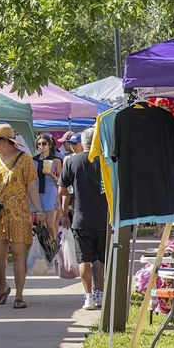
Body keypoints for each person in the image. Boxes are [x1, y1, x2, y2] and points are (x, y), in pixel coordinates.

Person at [0, 123, 43, 308]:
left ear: (6, 141)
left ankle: (19, 295)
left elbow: (31, 187)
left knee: (18, 254)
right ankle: (3, 286)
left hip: (18, 212)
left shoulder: (25, 159)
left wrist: (39, 210)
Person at [60, 128, 108, 311]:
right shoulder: (106, 162)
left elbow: (62, 190)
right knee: (102, 260)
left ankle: (88, 297)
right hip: (104, 217)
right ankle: (101, 294)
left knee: (84, 260)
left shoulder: (72, 161)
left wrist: (65, 211)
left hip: (81, 217)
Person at [34, 133, 63, 243]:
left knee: (51, 223)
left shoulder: (56, 160)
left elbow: (60, 181)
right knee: (41, 224)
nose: (41, 146)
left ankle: (53, 247)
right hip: (37, 193)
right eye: (39, 143)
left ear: (49, 145)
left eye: (44, 143)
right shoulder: (33, 160)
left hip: (51, 193)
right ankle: (44, 247)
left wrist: (51, 174)